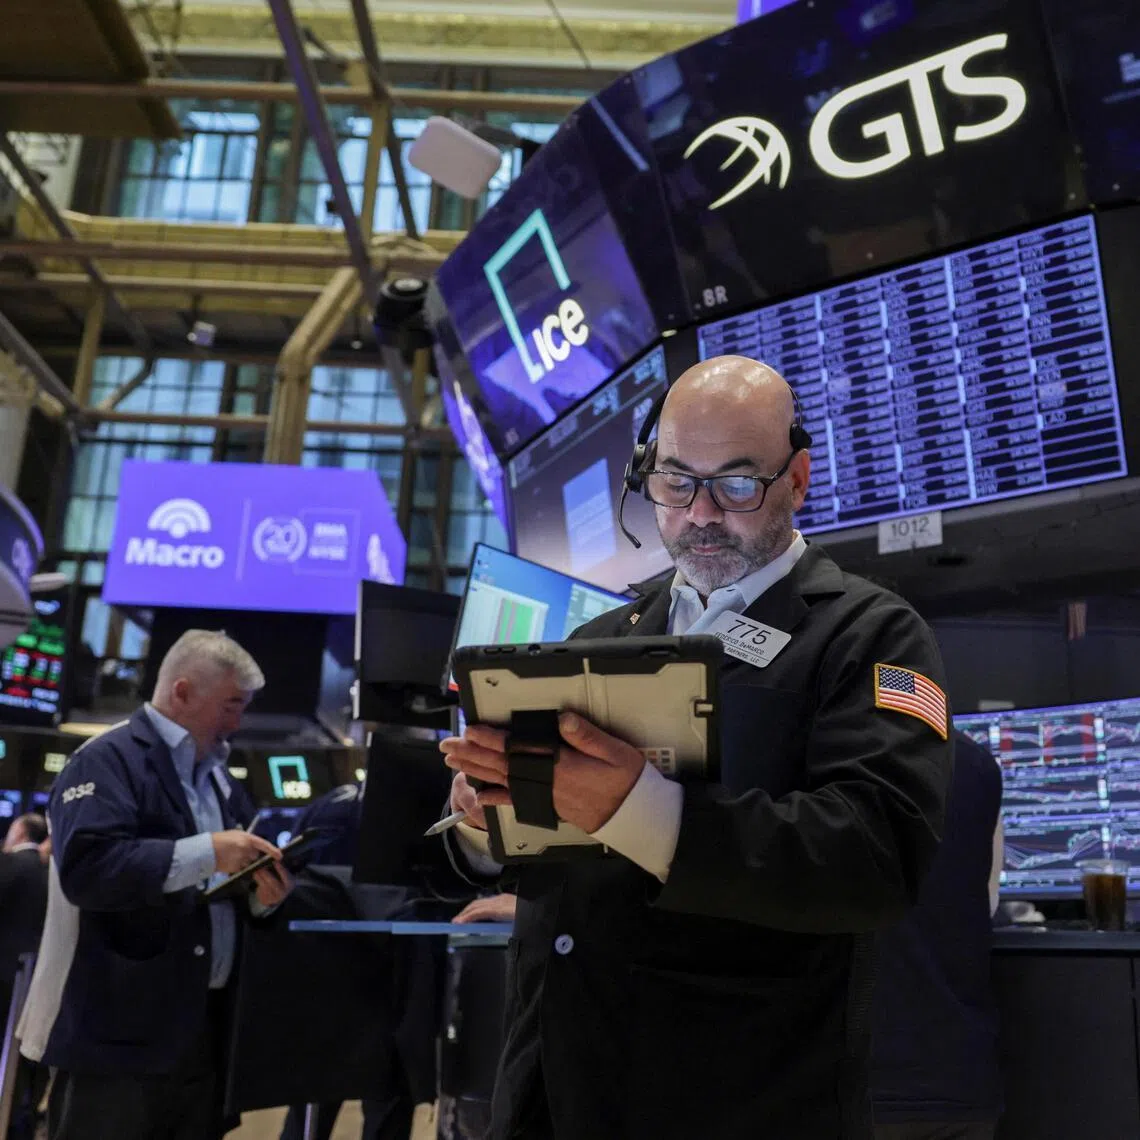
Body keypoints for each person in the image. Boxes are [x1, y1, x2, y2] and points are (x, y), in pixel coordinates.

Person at [441, 355, 954, 1140]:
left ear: (798, 480)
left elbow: (876, 856)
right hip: (553, 1083)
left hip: (734, 1097)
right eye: (676, 483)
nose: (701, 513)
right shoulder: (601, 634)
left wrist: (641, 810)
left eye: (737, 484)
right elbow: (555, 860)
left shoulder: (868, 634)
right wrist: (490, 819)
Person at [18, 629, 295, 1140]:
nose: (238, 722)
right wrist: (209, 851)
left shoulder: (219, 779)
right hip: (113, 1036)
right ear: (182, 692)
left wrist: (262, 898)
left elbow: (225, 888)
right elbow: (89, 869)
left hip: (200, 1035)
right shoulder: (106, 759)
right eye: (231, 705)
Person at [871, 729, 1004, 1139]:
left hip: (855, 1084)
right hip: (960, 1079)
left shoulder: (810, 750)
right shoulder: (978, 762)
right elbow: (987, 901)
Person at [0, 813, 50, 1140]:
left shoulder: (7, 866)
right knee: (29, 1058)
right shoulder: (50, 872)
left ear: (19, 831)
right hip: (37, 976)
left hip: (6, 976)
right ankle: (23, 1117)